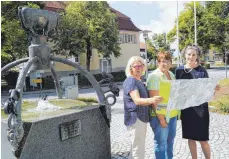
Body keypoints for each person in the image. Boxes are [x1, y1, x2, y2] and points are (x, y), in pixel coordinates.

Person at [175, 45, 220, 159]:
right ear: (184, 55)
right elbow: (177, 91)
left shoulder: (202, 70)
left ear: (197, 56)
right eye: (189, 54)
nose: (191, 56)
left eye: (194, 54)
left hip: (201, 110)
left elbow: (208, 91)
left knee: (203, 139)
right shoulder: (179, 70)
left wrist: (214, 88)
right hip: (187, 109)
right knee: (190, 138)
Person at [123, 56, 163, 159]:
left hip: (140, 118)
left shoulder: (139, 81)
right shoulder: (131, 81)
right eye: (136, 66)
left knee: (136, 146)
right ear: (130, 68)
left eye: (141, 65)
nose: (139, 68)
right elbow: (137, 100)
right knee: (138, 148)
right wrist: (152, 100)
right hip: (136, 118)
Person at [147, 52, 180, 159]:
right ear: (158, 62)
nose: (165, 64)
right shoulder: (154, 77)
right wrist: (161, 119)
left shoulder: (171, 75)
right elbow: (154, 101)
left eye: (168, 61)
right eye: (163, 61)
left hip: (172, 115)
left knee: (170, 142)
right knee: (161, 144)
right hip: (160, 117)